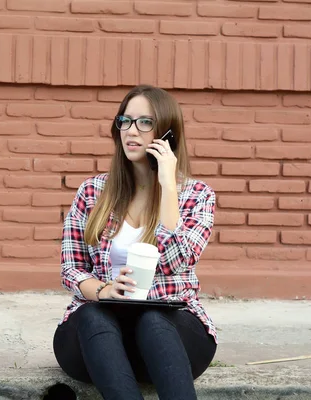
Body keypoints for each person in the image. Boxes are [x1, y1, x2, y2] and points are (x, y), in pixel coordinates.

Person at [52, 85, 218, 400]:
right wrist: (103, 290)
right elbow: (71, 268)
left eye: (145, 122)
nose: (131, 131)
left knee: (153, 319)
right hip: (100, 342)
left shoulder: (197, 195)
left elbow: (176, 261)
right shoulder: (92, 192)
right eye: (125, 121)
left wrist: (168, 184)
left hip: (169, 338)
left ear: (167, 133)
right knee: (91, 313)